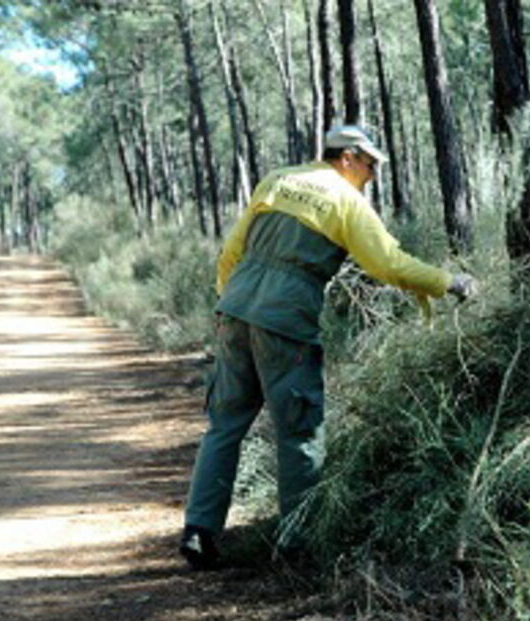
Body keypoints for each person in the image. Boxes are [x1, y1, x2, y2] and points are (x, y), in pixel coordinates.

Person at [180, 125, 476, 570]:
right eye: (371, 165)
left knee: (224, 425)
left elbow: (232, 251)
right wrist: (449, 282)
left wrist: (231, 305)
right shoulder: (344, 200)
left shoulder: (279, 180)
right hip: (285, 318)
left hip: (235, 310)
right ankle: (297, 546)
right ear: (348, 157)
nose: (373, 175)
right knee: (300, 431)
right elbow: (388, 263)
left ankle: (199, 534)